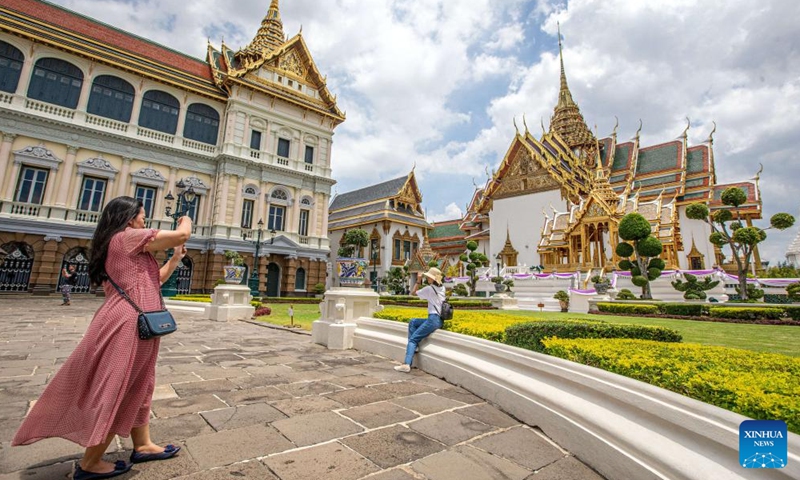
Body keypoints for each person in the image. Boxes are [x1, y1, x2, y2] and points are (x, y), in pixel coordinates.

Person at [12, 196, 191, 480]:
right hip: (127, 324)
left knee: (141, 385)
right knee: (118, 386)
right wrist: (186, 215)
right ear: (129, 218)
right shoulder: (126, 238)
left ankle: (142, 444)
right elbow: (182, 233)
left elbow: (155, 280)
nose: (145, 220)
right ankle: (91, 462)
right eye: (143, 215)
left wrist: (175, 259)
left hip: (138, 322)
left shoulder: (124, 245)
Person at [394, 267, 445, 373]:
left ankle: (407, 364)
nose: (427, 278)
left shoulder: (429, 289)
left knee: (412, 339)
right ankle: (415, 347)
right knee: (413, 322)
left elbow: (413, 293)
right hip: (439, 320)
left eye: (428, 277)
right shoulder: (442, 288)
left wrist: (418, 280)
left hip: (433, 319)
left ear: (433, 279)